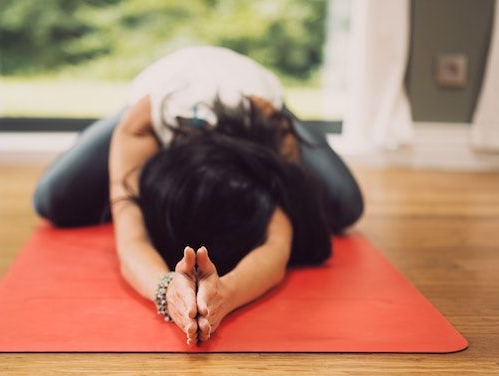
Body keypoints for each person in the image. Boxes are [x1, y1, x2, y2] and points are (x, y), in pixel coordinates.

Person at [33, 46, 363, 345]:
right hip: (158, 85)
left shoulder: (267, 129)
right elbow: (130, 239)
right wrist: (167, 291)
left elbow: (278, 244)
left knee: (346, 206)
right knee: (51, 200)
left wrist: (225, 296)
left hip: (255, 92)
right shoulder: (141, 126)